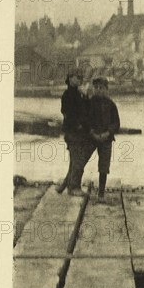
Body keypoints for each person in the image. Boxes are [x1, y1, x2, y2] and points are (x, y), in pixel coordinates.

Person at [56, 68, 93, 196]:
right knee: (78, 160)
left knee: (75, 159)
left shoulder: (78, 94)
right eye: (77, 77)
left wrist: (87, 97)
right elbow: (66, 113)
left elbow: (86, 109)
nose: (80, 80)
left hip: (78, 131)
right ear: (70, 78)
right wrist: (78, 125)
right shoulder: (68, 95)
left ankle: (66, 184)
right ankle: (73, 187)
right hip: (74, 131)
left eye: (80, 78)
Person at [89, 77, 120, 203]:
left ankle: (101, 193)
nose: (98, 90)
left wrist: (107, 133)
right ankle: (73, 186)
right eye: (96, 88)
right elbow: (85, 120)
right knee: (80, 161)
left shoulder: (111, 105)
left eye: (101, 88)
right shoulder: (89, 103)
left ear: (106, 90)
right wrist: (92, 133)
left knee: (104, 166)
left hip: (106, 138)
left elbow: (116, 123)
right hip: (91, 138)